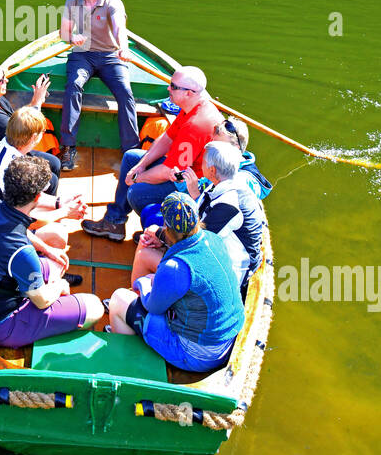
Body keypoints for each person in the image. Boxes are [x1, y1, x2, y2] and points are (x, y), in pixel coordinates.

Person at [0, 156, 105, 348]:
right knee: (94, 307)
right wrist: (59, 286)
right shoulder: (22, 252)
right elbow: (42, 301)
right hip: (0, 323)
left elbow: (12, 228)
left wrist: (47, 249)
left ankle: (52, 303)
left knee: (56, 264)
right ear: (37, 197)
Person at [107, 193, 243, 373]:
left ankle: (127, 364)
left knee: (118, 300)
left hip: (197, 355)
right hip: (227, 342)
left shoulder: (175, 267)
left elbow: (153, 307)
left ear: (167, 226)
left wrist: (143, 283)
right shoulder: (213, 239)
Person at [82, 65, 220, 241]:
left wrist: (137, 178)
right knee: (132, 157)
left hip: (192, 184)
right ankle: (114, 222)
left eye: (174, 86)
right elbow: (167, 139)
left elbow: (170, 171)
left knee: (136, 193)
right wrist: (141, 166)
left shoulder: (195, 125)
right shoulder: (191, 108)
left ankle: (162, 236)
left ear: (189, 93)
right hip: (178, 171)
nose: (168, 88)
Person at [0, 106, 85, 238]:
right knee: (58, 236)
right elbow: (24, 222)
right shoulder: (13, 173)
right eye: (43, 132)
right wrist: (65, 212)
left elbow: (31, 199)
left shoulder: (0, 148)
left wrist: (59, 202)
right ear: (33, 138)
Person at [58, 0, 138, 172]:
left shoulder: (113, 2)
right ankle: (68, 147)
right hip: (82, 55)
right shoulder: (72, 0)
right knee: (73, 85)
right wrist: (72, 37)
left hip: (110, 56)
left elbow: (120, 28)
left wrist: (124, 48)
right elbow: (64, 32)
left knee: (125, 92)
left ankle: (131, 151)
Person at [180, 141, 267, 294]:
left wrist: (159, 235)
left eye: (204, 162)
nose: (201, 165)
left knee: (159, 259)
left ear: (212, 170)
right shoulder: (223, 184)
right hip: (220, 254)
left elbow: (197, 239)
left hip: (232, 273)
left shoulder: (229, 203)